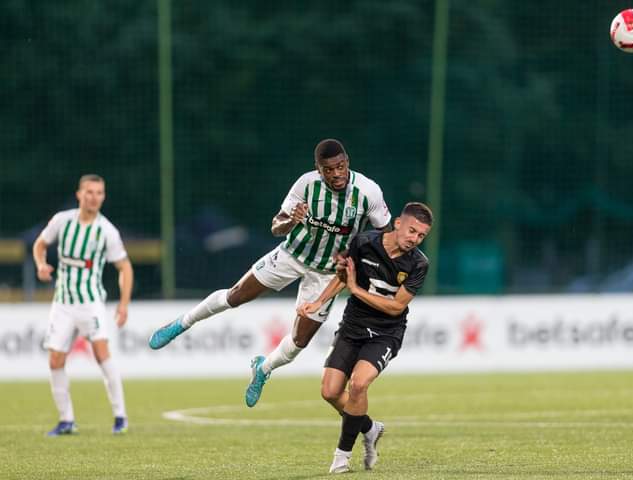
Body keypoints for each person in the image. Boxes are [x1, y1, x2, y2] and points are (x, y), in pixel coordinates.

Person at [148, 139, 392, 408]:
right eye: (328, 169)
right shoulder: (306, 185)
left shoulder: (368, 191)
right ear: (318, 169)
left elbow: (383, 232)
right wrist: (292, 219)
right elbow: (276, 226)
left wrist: (355, 256)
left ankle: (263, 369)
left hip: (326, 272)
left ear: (348, 162)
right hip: (291, 256)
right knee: (236, 295)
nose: (336, 174)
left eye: (340, 167)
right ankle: (182, 323)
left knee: (299, 342)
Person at [297, 202, 433, 473]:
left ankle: (341, 457)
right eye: (412, 231)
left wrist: (356, 290)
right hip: (353, 326)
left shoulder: (418, 263)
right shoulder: (364, 241)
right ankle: (369, 428)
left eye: (421, 236)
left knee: (358, 385)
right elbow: (342, 276)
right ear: (397, 223)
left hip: (386, 333)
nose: (414, 239)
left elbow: (396, 306)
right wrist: (318, 302)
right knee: (330, 392)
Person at [32, 174, 134, 436]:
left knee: (102, 354)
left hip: (91, 303)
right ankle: (66, 420)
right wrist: (41, 264)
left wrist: (123, 304)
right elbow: (40, 244)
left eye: (99, 193)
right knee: (55, 359)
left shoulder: (107, 231)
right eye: (89, 192)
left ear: (103, 196)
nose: (94, 197)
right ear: (79, 194)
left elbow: (124, 267)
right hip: (63, 303)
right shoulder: (62, 221)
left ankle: (120, 416)